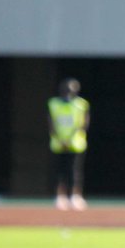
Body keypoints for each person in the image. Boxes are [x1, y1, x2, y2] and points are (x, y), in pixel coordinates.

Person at [47, 78, 90, 211]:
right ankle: (60, 197)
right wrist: (60, 139)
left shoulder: (81, 104)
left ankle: (75, 196)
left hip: (75, 143)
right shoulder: (53, 103)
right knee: (59, 171)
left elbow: (82, 124)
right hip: (58, 143)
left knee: (75, 171)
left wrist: (70, 139)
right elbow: (51, 122)